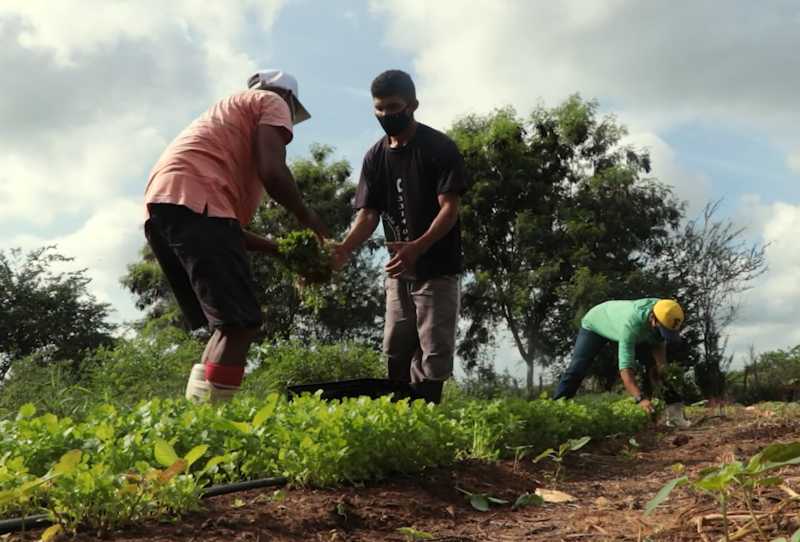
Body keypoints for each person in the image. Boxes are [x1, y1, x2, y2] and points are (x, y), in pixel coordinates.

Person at [143, 69, 328, 402]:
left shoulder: (228, 127)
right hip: (191, 204)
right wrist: (309, 219)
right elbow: (274, 173)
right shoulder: (271, 100)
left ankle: (199, 421)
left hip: (167, 205)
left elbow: (227, 231)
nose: (286, 124)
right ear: (287, 98)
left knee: (228, 325)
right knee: (239, 324)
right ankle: (215, 428)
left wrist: (281, 250)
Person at [333, 70, 468, 404]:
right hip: (398, 272)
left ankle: (426, 417)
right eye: (379, 109)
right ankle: (396, 420)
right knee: (396, 348)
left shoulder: (439, 148)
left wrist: (417, 248)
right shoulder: (375, 157)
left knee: (432, 353)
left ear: (413, 105)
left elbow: (449, 210)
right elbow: (367, 214)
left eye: (393, 107)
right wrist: (344, 249)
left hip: (436, 268)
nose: (386, 115)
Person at [553, 298, 690, 426]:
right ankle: (556, 410)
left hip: (636, 328)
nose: (663, 334)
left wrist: (662, 368)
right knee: (578, 368)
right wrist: (639, 399)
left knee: (655, 370)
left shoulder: (666, 310)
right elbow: (625, 368)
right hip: (596, 323)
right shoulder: (631, 326)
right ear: (653, 319)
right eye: (662, 330)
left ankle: (673, 413)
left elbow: (658, 343)